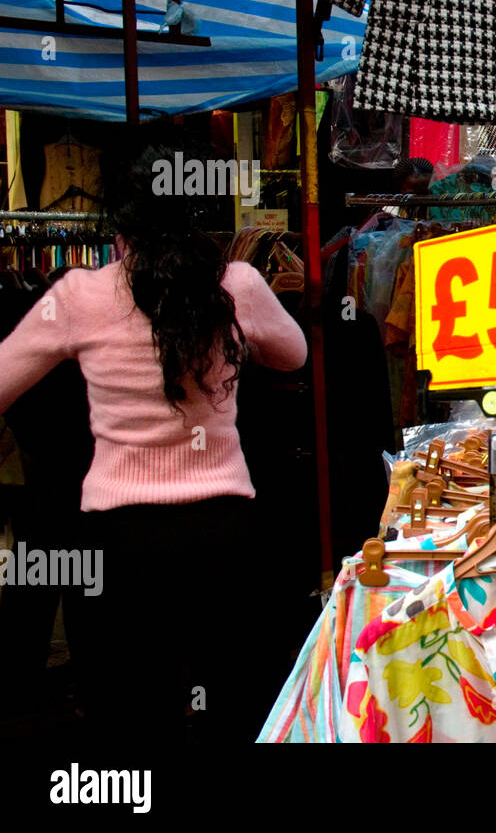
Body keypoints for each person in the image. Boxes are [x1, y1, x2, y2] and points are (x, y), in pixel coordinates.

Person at [0, 140, 308, 742]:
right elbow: (292, 353)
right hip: (224, 535)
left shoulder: (79, 297)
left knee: (130, 722)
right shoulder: (237, 284)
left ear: (119, 218)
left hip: (121, 545)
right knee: (241, 708)